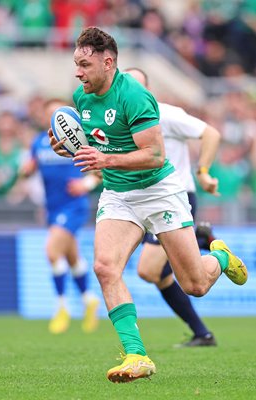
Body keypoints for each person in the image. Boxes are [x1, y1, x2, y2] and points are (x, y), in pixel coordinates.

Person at [48, 27, 248, 383]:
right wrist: (65, 146)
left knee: (195, 285)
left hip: (159, 191)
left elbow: (154, 156)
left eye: (84, 64)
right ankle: (136, 355)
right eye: (76, 64)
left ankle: (218, 256)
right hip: (119, 196)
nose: (78, 72)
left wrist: (104, 160)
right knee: (106, 268)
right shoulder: (82, 97)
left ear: (108, 62)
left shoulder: (135, 97)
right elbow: (92, 144)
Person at [125, 67, 218, 347]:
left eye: (138, 87)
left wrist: (203, 171)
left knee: (148, 270)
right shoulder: (122, 120)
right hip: (146, 200)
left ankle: (203, 241)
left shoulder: (165, 114)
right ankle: (202, 333)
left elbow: (210, 133)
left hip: (175, 197)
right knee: (157, 274)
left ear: (148, 90)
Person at [21, 97, 100, 334]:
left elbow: (97, 172)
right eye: (49, 113)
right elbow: (29, 171)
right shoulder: (38, 143)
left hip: (73, 206)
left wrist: (84, 185)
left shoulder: (79, 141)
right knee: (72, 256)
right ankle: (88, 299)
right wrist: (25, 172)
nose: (54, 117)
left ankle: (61, 307)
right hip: (53, 208)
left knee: (52, 251)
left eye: (58, 113)